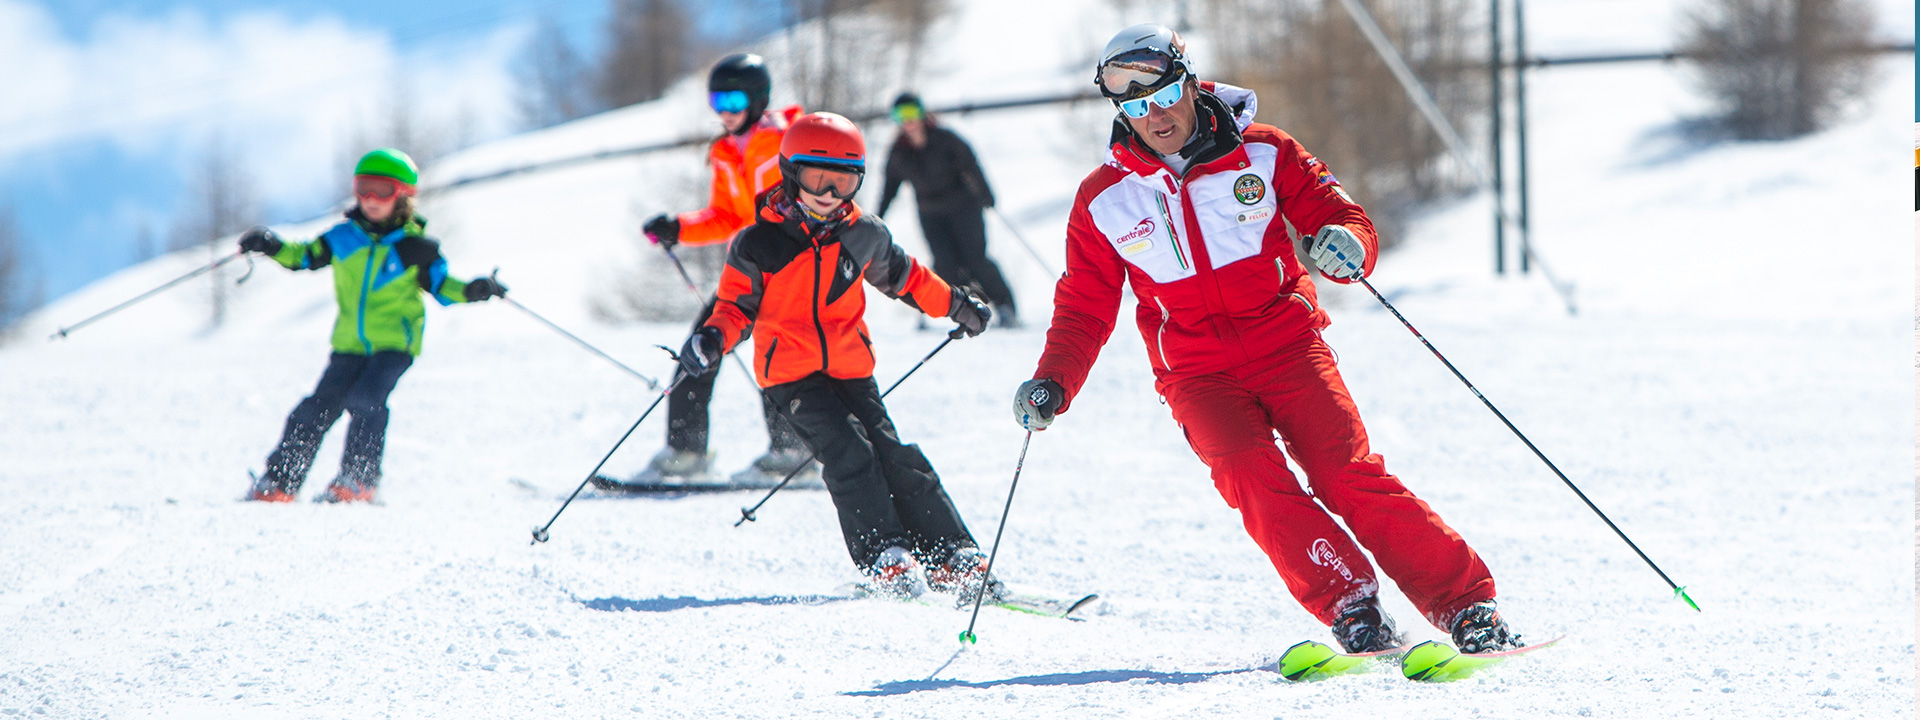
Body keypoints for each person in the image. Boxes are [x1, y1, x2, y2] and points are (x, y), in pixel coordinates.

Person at [1011, 24, 1524, 655]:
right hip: (1197, 373)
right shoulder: (1104, 199)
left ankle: (1465, 605)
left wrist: (1349, 245)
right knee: (1252, 480)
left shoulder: (1265, 151)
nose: (1154, 116)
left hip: (1288, 349)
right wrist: (1054, 381)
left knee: (1346, 474)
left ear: (1189, 83)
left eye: (1162, 93)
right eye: (1132, 105)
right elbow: (1085, 307)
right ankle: (1350, 606)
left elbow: (1340, 216)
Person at [676, 111, 996, 598]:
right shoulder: (759, 243)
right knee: (850, 453)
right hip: (790, 375)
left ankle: (951, 554)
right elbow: (735, 308)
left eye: (843, 182)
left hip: (850, 366)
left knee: (896, 454)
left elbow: (907, 278)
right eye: (816, 179)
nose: (828, 194)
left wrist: (955, 302)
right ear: (790, 173)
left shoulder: (861, 233)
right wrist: (713, 340)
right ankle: (884, 556)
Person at [241, 148, 506, 504]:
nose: (370, 199)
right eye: (363, 187)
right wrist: (271, 245)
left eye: (381, 190)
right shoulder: (342, 238)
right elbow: (303, 256)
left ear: (402, 195)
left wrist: (474, 289)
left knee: (366, 399)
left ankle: (358, 481)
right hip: (349, 343)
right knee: (316, 408)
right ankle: (279, 483)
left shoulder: (415, 248)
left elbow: (443, 287)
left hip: (395, 343)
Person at [638, 53, 817, 487]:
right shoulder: (724, 152)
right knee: (698, 351)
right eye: (716, 99)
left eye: (734, 98)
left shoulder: (783, 141)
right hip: (747, 273)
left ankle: (792, 455)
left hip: (786, 270)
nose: (725, 110)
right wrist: (678, 227)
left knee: (775, 360)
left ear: (757, 99)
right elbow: (725, 217)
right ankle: (686, 453)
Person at [876, 92, 1020, 329]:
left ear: (922, 113)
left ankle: (1005, 307)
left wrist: (985, 194)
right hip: (931, 214)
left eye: (912, 112)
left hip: (964, 208)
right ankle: (958, 309)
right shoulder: (899, 152)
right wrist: (878, 217)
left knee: (975, 258)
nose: (908, 120)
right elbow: (889, 187)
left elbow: (970, 163)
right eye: (901, 115)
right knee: (944, 263)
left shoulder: (944, 139)